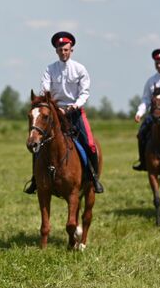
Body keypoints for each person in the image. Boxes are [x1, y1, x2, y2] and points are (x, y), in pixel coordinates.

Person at [24, 31, 104, 194]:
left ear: (71, 50)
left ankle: (93, 179)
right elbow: (44, 89)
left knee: (90, 144)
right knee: (38, 145)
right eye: (60, 50)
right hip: (54, 113)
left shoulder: (80, 69)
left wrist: (75, 105)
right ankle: (35, 179)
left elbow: (85, 92)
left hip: (75, 113)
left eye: (66, 49)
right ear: (56, 51)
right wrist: (50, 105)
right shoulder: (50, 69)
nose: (63, 52)